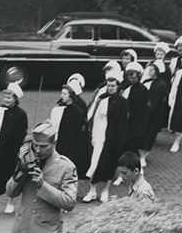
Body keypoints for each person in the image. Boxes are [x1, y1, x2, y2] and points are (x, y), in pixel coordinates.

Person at [4, 121, 78, 233]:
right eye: (35, 145)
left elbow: (69, 203)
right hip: (21, 231)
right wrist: (21, 170)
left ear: (54, 143)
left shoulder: (66, 167)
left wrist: (42, 185)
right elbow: (11, 192)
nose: (38, 150)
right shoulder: (27, 160)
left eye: (43, 146)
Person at [84, 67, 129, 203]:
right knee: (95, 162)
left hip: (113, 137)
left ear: (117, 86)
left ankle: (105, 190)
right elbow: (96, 118)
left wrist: (119, 140)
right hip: (99, 135)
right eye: (108, 86)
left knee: (109, 164)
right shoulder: (102, 99)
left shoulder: (123, 102)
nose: (110, 88)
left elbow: (123, 123)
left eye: (113, 86)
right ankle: (92, 191)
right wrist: (93, 136)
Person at [0, 82, 28, 214]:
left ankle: (10, 202)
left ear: (15, 99)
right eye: (5, 97)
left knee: (11, 178)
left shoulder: (21, 114)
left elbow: (22, 133)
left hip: (12, 151)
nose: (6, 100)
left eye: (9, 98)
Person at [50, 80, 91, 180]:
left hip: (71, 148)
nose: (61, 96)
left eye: (64, 93)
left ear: (71, 96)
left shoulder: (77, 113)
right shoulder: (63, 109)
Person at [141, 59, 170, 161]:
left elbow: (156, 102)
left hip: (152, 115)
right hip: (143, 114)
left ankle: (143, 156)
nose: (150, 72)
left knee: (148, 135)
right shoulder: (146, 82)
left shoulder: (160, 85)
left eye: (152, 70)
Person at [120, 61, 150, 156]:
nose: (131, 79)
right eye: (129, 77)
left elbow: (144, 110)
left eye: (134, 77)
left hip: (135, 123)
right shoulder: (123, 87)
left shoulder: (143, 90)